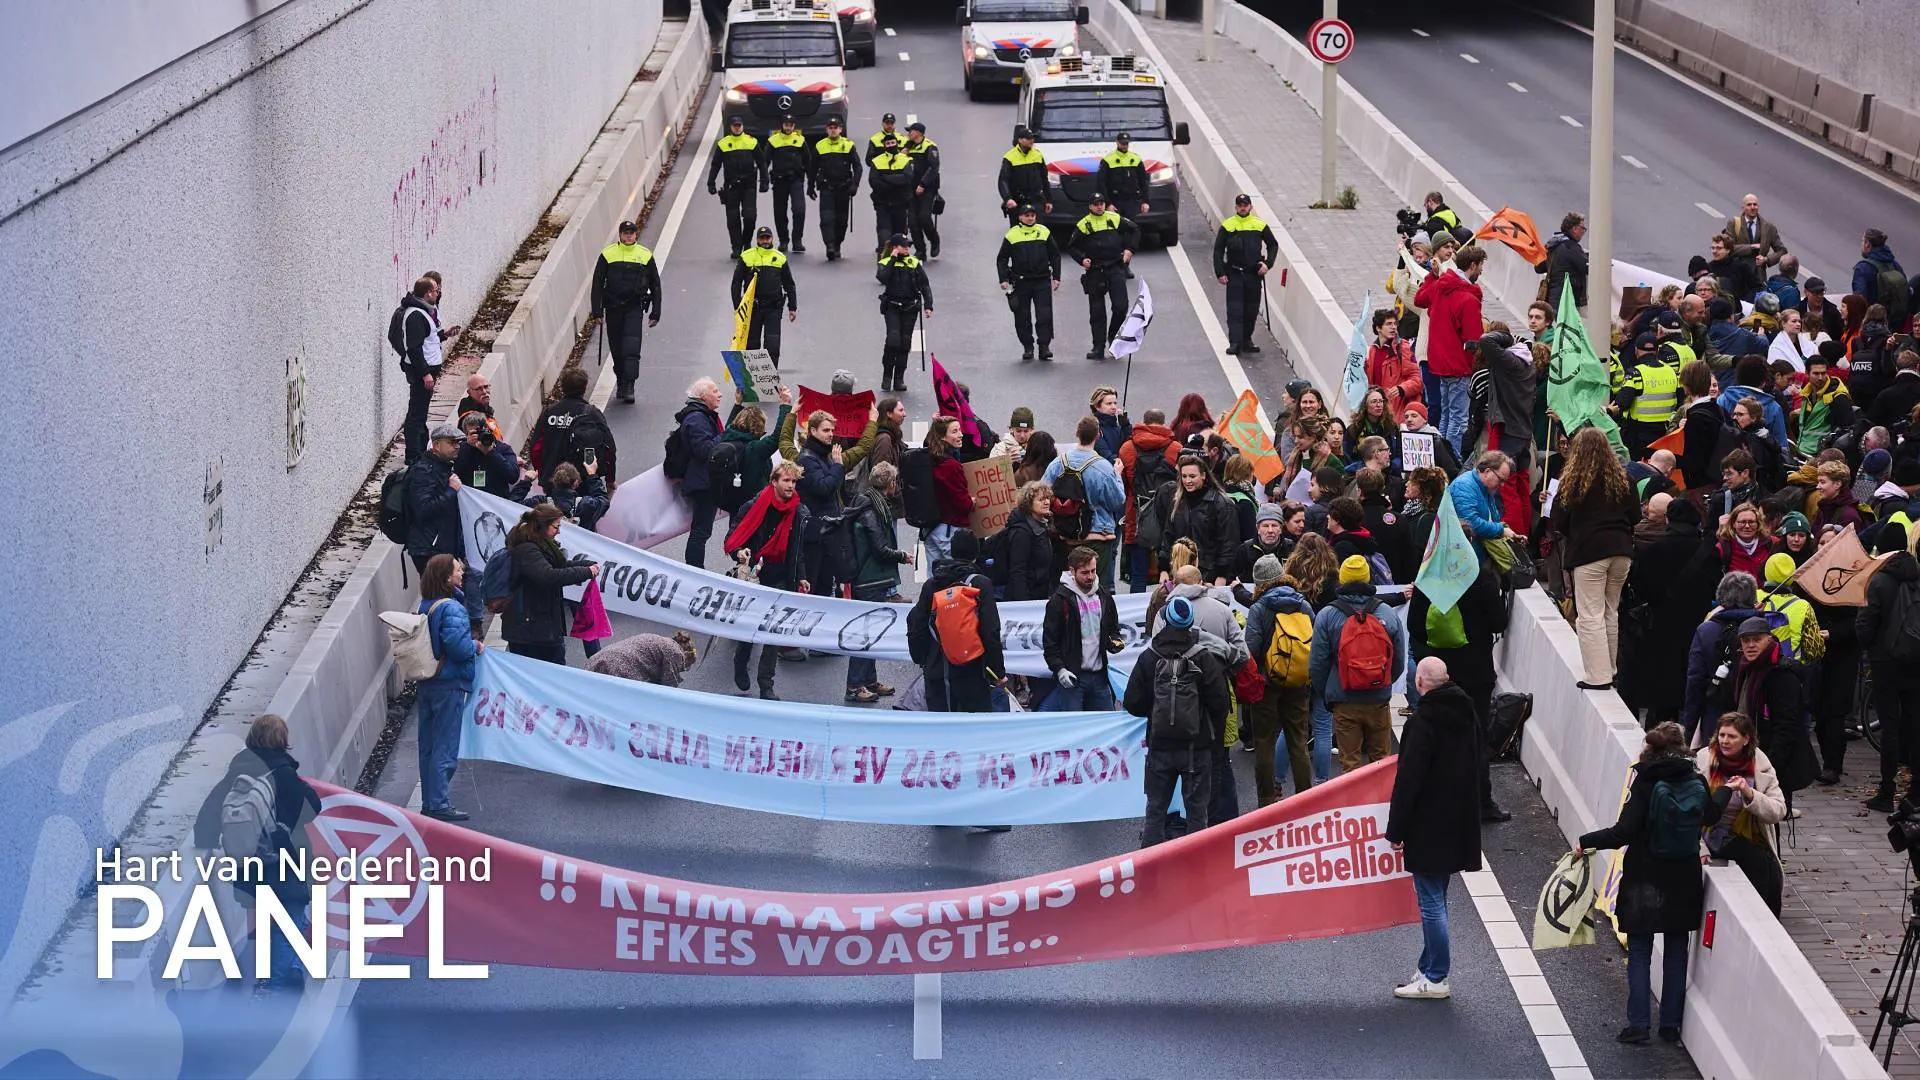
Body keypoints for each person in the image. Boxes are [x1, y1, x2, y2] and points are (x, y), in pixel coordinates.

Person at [1573, 722, 1722, 1046]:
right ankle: (1670, 1025)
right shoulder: (1695, 779)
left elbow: (1623, 832)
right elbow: (1710, 816)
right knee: (1676, 950)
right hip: (1684, 877)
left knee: (1640, 950)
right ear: (1682, 747)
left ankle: (1639, 1024)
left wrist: (1586, 841)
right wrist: (1726, 792)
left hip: (1645, 875)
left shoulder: (1645, 781)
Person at [192, 713, 323, 987]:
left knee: (260, 914)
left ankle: (273, 970)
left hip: (247, 863)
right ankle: (281, 978)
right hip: (283, 859)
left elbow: (209, 813)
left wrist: (206, 841)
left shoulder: (236, 773)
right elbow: (313, 808)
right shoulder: (284, 774)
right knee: (292, 910)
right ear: (282, 740)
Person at [1386, 657, 1484, 1001]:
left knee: (1430, 902)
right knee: (1437, 896)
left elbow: (1408, 780)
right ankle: (1427, 966)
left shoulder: (1423, 722)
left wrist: (1396, 830)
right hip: (1457, 819)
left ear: (1419, 683)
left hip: (1427, 823)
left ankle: (1437, 975)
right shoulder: (1467, 712)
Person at [1125, 596, 1231, 846]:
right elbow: (1221, 703)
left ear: (1165, 620)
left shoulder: (1149, 657)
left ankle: (1150, 861)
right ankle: (1196, 862)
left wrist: (1155, 711)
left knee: (1156, 809)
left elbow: (1131, 702)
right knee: (1197, 812)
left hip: (1160, 746)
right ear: (1190, 623)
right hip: (1196, 747)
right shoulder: (1203, 657)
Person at [1409, 557, 1510, 820]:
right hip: (1476, 671)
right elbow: (1499, 623)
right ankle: (1482, 803)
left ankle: (1438, 802)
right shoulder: (1481, 578)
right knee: (1476, 737)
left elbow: (1415, 627)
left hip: (1439, 674)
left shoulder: (1427, 580)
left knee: (1435, 739)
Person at [1552, 427, 1639, 691]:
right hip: (1621, 551)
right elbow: (1635, 516)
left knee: (1590, 614)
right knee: (1610, 610)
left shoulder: (1573, 481)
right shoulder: (1624, 478)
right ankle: (1610, 669)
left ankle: (1598, 675)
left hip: (1589, 553)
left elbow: (1558, 520)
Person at [1308, 555, 1407, 775]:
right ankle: (1381, 797)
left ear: (1342, 579)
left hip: (1344, 699)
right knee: (1380, 761)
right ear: (1368, 578)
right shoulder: (1387, 613)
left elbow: (1317, 663)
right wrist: (1383, 682)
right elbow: (1399, 659)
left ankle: (1355, 798)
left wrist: (1328, 693)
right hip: (1378, 699)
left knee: (1350, 764)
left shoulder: (1328, 615)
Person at [724, 461, 812, 699]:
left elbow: (797, 550)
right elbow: (733, 535)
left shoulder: (798, 512)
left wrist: (802, 576)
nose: (791, 486)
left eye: (794, 482)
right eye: (786, 480)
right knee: (751, 626)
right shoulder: (754, 506)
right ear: (774, 482)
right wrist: (739, 552)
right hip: (755, 575)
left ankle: (766, 684)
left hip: (781, 576)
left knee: (773, 631)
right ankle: (741, 659)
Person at [410, 553, 483, 820]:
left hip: (429, 682)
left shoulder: (427, 605)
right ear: (446, 577)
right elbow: (459, 648)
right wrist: (475, 645)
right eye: (457, 570)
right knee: (445, 744)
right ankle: (439, 804)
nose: (462, 573)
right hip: (449, 684)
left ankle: (430, 802)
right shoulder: (452, 608)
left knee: (428, 745)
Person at [1696, 711, 1788, 914]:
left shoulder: (1760, 763)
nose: (1725, 741)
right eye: (1722, 735)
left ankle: (1767, 921)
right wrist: (1700, 848)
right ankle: (1756, 917)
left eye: (1732, 736)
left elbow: (1779, 810)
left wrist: (1749, 793)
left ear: (1746, 739)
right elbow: (1688, 813)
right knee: (1757, 862)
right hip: (1710, 833)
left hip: (1749, 833)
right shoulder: (1703, 761)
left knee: (1771, 873)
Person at [908, 528, 1007, 712]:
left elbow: (917, 624)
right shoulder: (980, 584)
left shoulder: (932, 584)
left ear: (952, 552)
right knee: (975, 725)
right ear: (976, 554)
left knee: (943, 726)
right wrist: (998, 672)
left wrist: (923, 659)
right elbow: (990, 631)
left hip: (938, 671)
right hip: (973, 672)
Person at [1859, 522, 1920, 811]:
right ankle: (1916, 790)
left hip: (1885, 663)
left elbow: (1865, 625)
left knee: (1889, 725)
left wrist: (1871, 646)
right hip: (1916, 659)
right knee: (1914, 722)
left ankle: (1886, 791)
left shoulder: (1879, 581)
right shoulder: (1917, 576)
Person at [1244, 563, 1316, 803]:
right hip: (1298, 682)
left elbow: (1252, 648)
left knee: (1264, 742)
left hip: (1266, 685)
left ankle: (1266, 801)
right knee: (1298, 742)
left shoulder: (1259, 608)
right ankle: (1305, 799)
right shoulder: (1303, 605)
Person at [1728, 614, 1815, 805]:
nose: (1751, 645)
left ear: (1769, 640)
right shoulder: (1744, 668)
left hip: (1775, 760)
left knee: (1772, 814)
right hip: (1751, 753)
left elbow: (1787, 727)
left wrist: (1769, 767)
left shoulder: (1782, 675)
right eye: (1746, 640)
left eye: (1757, 639)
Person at [844, 462, 912, 703]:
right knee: (866, 634)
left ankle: (869, 680)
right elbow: (880, 549)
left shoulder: (870, 503)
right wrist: (902, 556)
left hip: (871, 578)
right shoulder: (872, 511)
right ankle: (854, 685)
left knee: (872, 633)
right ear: (890, 484)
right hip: (869, 579)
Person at [501, 505, 598, 666]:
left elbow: (559, 566)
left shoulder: (539, 546)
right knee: (544, 673)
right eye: (556, 526)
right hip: (530, 631)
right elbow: (549, 575)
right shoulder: (527, 550)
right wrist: (586, 572)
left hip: (540, 627)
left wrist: (586, 565)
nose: (558, 531)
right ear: (542, 526)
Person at [1415, 245, 1488, 455]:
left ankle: (1441, 457)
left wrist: (1432, 275)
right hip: (1459, 365)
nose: (1481, 270)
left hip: (1440, 363)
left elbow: (1420, 299)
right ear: (1472, 265)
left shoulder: (1441, 285)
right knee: (1458, 419)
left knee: (1447, 415)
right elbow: (1473, 339)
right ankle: (1452, 461)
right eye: (1480, 266)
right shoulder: (1468, 298)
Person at [1682, 571, 1770, 740]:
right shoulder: (1763, 629)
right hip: (1754, 718)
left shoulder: (1706, 630)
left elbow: (1695, 681)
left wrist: (1690, 724)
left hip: (1715, 718)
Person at [1044, 416, 1128, 589]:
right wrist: (1117, 475)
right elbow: (1117, 501)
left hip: (1066, 535)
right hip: (1098, 536)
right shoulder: (1104, 467)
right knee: (1093, 588)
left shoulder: (1059, 462)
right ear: (1098, 435)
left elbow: (1043, 491)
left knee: (1069, 588)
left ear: (1077, 434)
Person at [1042, 546, 1124, 711]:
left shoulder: (1104, 595)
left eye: (1093, 571)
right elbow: (1050, 642)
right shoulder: (1059, 600)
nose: (1091, 576)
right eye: (1085, 573)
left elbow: (1113, 629)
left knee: (1106, 724)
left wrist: (1114, 642)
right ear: (1072, 571)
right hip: (1073, 677)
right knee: (1074, 724)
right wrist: (1060, 669)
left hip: (1100, 676)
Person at [590, 219, 663, 404]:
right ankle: (621, 381)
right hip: (613, 308)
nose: (629, 236)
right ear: (620, 235)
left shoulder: (645, 255)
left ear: (636, 234)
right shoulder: (607, 254)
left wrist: (656, 312)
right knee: (616, 349)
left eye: (631, 233)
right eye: (625, 233)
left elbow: (655, 285)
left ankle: (630, 385)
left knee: (631, 347)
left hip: (634, 308)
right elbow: (597, 284)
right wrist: (597, 312)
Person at [1063, 192, 1140, 360]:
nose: (1099, 207)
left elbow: (1134, 230)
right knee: (1097, 312)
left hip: (1115, 267)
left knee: (1121, 306)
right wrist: (1082, 260)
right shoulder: (1084, 224)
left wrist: (1129, 250)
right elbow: (1072, 247)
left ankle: (1113, 337)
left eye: (1102, 203)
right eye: (1096, 204)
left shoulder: (1114, 218)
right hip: (1095, 271)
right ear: (1090, 206)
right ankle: (1098, 347)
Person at [389, 276, 449, 464]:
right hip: (422, 373)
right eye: (436, 291)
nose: (438, 293)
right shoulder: (416, 315)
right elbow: (414, 349)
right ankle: (413, 456)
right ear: (428, 293)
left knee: (421, 412)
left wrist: (444, 335)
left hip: (427, 370)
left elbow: (429, 340)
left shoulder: (425, 311)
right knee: (416, 413)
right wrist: (425, 374)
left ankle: (421, 451)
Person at [1155, 453, 1240, 585]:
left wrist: (1222, 575)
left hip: (1209, 574)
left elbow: (1229, 543)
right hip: (1180, 572)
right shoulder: (1177, 502)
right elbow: (1168, 537)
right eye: (1184, 476)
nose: (1187, 481)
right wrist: (1163, 569)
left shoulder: (1221, 503)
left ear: (1203, 475)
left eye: (1192, 476)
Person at [1120, 408, 1180, 592]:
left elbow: (1123, 485)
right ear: (1163, 423)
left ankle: (1137, 608)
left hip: (1137, 516)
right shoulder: (1175, 448)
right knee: (1172, 572)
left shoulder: (1127, 448)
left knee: (1138, 573)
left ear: (1144, 423)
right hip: (1168, 515)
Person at [668, 378, 725, 569]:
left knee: (701, 530)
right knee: (700, 531)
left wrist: (737, 405)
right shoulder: (697, 419)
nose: (720, 395)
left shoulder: (701, 416)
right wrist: (727, 435)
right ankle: (695, 569)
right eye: (715, 391)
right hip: (702, 483)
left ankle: (695, 568)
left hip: (704, 480)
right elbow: (705, 450)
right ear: (702, 396)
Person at [529, 366, 616, 489]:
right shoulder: (592, 414)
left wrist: (542, 472)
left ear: (562, 387)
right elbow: (609, 448)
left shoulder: (549, 413)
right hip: (584, 481)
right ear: (584, 388)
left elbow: (535, 447)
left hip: (553, 480)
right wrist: (610, 479)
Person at [1212, 194, 1279, 356]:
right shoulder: (1228, 225)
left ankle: (1246, 340)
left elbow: (1273, 245)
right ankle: (1235, 343)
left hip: (1253, 275)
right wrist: (1220, 272)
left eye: (1245, 205)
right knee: (1235, 310)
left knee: (1251, 310)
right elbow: (1218, 250)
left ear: (1250, 207)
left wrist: (1267, 264)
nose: (1243, 207)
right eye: (1240, 205)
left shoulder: (1259, 225)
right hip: (1234, 273)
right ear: (1236, 207)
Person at [717, 387, 794, 521]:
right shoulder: (754, 449)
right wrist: (785, 405)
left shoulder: (727, 438)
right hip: (755, 507)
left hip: (735, 505)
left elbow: (729, 425)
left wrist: (737, 404)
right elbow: (778, 436)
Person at [997, 203, 1060, 361]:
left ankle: (1044, 347)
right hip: (1021, 282)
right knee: (1022, 316)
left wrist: (1056, 277)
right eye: (1027, 215)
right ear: (1020, 217)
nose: (1030, 218)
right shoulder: (1012, 234)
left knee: (1044, 315)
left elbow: (1055, 255)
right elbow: (1002, 258)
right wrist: (1003, 279)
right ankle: (1028, 347)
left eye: (1032, 215)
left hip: (1042, 280)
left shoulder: (1044, 232)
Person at [875, 233, 933, 393]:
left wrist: (928, 305)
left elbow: (925, 285)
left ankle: (899, 379)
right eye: (904, 245)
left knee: (904, 343)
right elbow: (882, 277)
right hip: (892, 307)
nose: (907, 248)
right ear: (895, 247)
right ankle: (887, 376)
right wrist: (893, 258)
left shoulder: (914, 262)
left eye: (908, 245)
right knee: (893, 340)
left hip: (910, 308)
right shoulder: (886, 262)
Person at [732, 227, 798, 366]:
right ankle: (752, 375)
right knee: (752, 346)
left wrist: (792, 307)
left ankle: (771, 375)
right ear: (757, 240)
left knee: (772, 345)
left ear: (772, 239)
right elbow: (736, 282)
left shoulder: (780, 258)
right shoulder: (746, 256)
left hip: (773, 308)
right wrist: (738, 305)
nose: (765, 241)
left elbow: (789, 283)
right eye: (762, 238)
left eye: (767, 238)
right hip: (752, 309)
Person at [404, 423, 465, 573]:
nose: (457, 446)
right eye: (452, 442)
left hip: (440, 546)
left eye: (459, 442)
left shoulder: (443, 468)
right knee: (437, 587)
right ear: (436, 445)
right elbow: (423, 509)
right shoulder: (424, 471)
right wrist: (451, 491)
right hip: (429, 548)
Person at [706, 115, 765, 258]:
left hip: (748, 186)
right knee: (733, 219)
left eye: (739, 125)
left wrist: (764, 180)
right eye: (735, 126)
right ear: (730, 127)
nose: (737, 128)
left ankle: (746, 243)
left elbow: (761, 162)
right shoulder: (723, 144)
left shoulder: (751, 142)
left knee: (750, 217)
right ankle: (736, 247)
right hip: (731, 187)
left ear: (743, 126)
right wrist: (711, 182)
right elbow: (716, 165)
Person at [1615, 333, 1678, 460]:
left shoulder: (1635, 373)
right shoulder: (1671, 371)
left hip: (1639, 435)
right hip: (1665, 432)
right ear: (1657, 351)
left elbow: (1622, 402)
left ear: (1636, 351)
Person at [1448, 451, 1520, 559]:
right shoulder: (1463, 486)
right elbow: (1470, 523)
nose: (1502, 485)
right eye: (1500, 480)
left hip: (1476, 555)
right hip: (1463, 558)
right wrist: (1501, 530)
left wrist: (1509, 532)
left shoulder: (1486, 488)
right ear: (1487, 471)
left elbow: (1492, 520)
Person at [810, 117, 861, 261]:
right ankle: (830, 245)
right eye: (830, 128)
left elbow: (858, 167)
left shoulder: (848, 145)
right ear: (827, 130)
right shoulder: (820, 146)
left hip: (844, 188)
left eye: (835, 128)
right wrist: (810, 186)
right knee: (826, 218)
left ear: (840, 130)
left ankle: (838, 244)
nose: (833, 130)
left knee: (841, 220)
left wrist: (855, 185)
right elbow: (812, 168)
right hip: (827, 187)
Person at [1003, 480, 1057, 602]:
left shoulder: (1043, 525)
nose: (1047, 502)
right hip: (1028, 598)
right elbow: (1018, 570)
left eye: (1047, 498)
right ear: (1028, 503)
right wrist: (1024, 603)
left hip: (1041, 593)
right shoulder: (1021, 532)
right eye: (1041, 499)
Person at [1366, 310, 1423, 423]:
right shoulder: (1372, 351)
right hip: (1377, 414)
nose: (1393, 327)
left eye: (1395, 324)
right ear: (1378, 328)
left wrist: (1402, 388)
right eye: (1389, 324)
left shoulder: (1403, 347)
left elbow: (1417, 380)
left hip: (1396, 413)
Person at [1794, 350, 1855, 456]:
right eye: (1816, 373)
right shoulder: (1806, 394)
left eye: (1823, 373)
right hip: (1803, 452)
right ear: (1807, 373)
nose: (1820, 377)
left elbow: (1845, 432)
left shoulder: (1838, 397)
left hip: (1821, 457)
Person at [587, 631, 697, 688]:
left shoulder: (661, 641)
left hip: (599, 659)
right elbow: (668, 687)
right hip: (617, 669)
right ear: (685, 656)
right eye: (683, 667)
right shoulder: (676, 653)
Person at [764, 115, 810, 253]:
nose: (788, 127)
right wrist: (763, 180)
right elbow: (765, 162)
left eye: (791, 125)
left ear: (794, 126)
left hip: (796, 180)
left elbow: (808, 162)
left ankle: (797, 240)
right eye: (786, 124)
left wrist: (812, 182)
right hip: (779, 181)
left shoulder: (800, 140)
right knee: (779, 213)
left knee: (799, 210)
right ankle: (783, 240)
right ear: (782, 125)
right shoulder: (773, 140)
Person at [453, 410, 519, 500]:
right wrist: (468, 447)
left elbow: (512, 476)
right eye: (473, 433)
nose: (478, 436)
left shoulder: (503, 448)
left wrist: (490, 452)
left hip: (497, 500)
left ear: (488, 429)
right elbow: (456, 472)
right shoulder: (461, 449)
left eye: (480, 432)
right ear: (466, 434)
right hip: (471, 500)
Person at [867, 132, 914, 257]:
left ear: (897, 144)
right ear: (884, 146)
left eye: (893, 143)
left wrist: (886, 178)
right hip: (883, 202)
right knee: (884, 234)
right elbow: (873, 181)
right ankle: (884, 259)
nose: (891, 145)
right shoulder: (877, 161)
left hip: (900, 202)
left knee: (900, 234)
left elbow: (907, 178)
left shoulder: (905, 160)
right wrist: (892, 185)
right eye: (888, 143)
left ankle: (900, 259)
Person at [1853, 228, 1909, 324]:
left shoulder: (1863, 269)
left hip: (1873, 324)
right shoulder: (1894, 265)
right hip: (1896, 321)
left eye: (1862, 241)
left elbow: (1859, 303)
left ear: (1867, 244)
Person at [997, 126, 1049, 223]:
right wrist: (1008, 199)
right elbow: (1003, 180)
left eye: (1032, 138)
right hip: (1017, 201)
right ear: (1020, 140)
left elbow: (1044, 178)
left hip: (1036, 200)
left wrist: (1049, 199)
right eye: (1028, 138)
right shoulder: (1010, 157)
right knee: (1017, 229)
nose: (1031, 140)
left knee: (1037, 228)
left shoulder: (1038, 155)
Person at [1538, 211, 1589, 310]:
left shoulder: (1552, 245)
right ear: (1574, 228)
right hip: (1567, 300)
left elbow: (1539, 268)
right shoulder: (1572, 247)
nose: (1583, 231)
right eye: (1582, 228)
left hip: (1552, 298)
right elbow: (1586, 267)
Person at [1098, 132, 1151, 217]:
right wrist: (1108, 204)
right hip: (1114, 202)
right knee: (1115, 225)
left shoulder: (1135, 158)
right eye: (1122, 143)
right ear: (1117, 142)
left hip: (1131, 201)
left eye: (1126, 143)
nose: (1124, 145)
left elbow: (1143, 181)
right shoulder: (1108, 159)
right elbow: (1101, 183)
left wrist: (1145, 201)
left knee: (1131, 224)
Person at [455, 373, 501, 443]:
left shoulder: (486, 411)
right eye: (479, 389)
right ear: (469, 392)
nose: (484, 392)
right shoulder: (471, 418)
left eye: (486, 387)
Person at [1090, 386, 1131, 463]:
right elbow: (1107, 456)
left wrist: (1126, 425)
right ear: (1097, 406)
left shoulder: (1116, 425)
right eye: (1109, 404)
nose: (1114, 407)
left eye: (1115, 403)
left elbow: (1128, 446)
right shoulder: (1094, 428)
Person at [1800, 275, 1845, 341]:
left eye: (1822, 293)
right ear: (1806, 292)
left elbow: (1839, 336)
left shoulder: (1832, 312)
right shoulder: (1798, 311)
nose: (1819, 296)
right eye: (1815, 293)